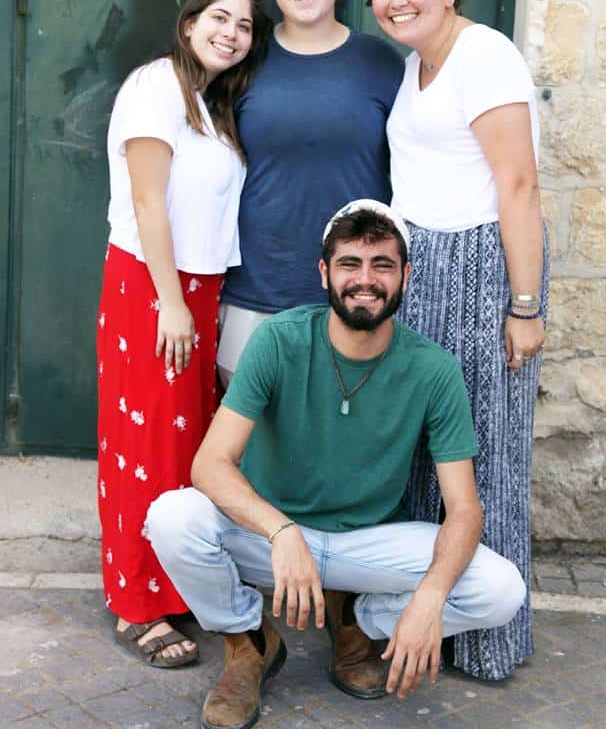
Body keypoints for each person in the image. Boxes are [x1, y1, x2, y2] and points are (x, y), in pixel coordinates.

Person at [147, 201, 526, 729]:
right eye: (350, 264)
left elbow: (463, 509)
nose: (365, 280)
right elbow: (210, 466)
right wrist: (281, 532)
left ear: (405, 276)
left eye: (382, 265)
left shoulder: (434, 369)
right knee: (172, 517)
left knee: (501, 588)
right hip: (272, 539)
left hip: (363, 546)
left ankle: (359, 624)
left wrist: (429, 602)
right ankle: (248, 641)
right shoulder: (278, 340)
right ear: (324, 272)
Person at [368, 0, 548, 680]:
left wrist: (526, 304)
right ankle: (427, 618)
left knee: (484, 453)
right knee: (425, 452)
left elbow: (519, 186)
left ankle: (489, 636)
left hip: (481, 269)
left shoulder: (486, 56)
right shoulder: (417, 66)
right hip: (424, 269)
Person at [96, 0, 271, 668]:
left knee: (183, 445)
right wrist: (170, 301)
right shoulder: (155, 88)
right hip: (151, 285)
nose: (230, 33)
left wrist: (197, 302)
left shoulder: (210, 102)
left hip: (196, 291)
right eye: (219, 18)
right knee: (143, 445)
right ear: (190, 19)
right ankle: (135, 603)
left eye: (244, 26)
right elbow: (148, 205)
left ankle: (171, 585)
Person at [217, 0, 404, 385]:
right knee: (254, 446)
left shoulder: (381, 64)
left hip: (358, 291)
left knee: (342, 438)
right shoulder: (243, 60)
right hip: (256, 287)